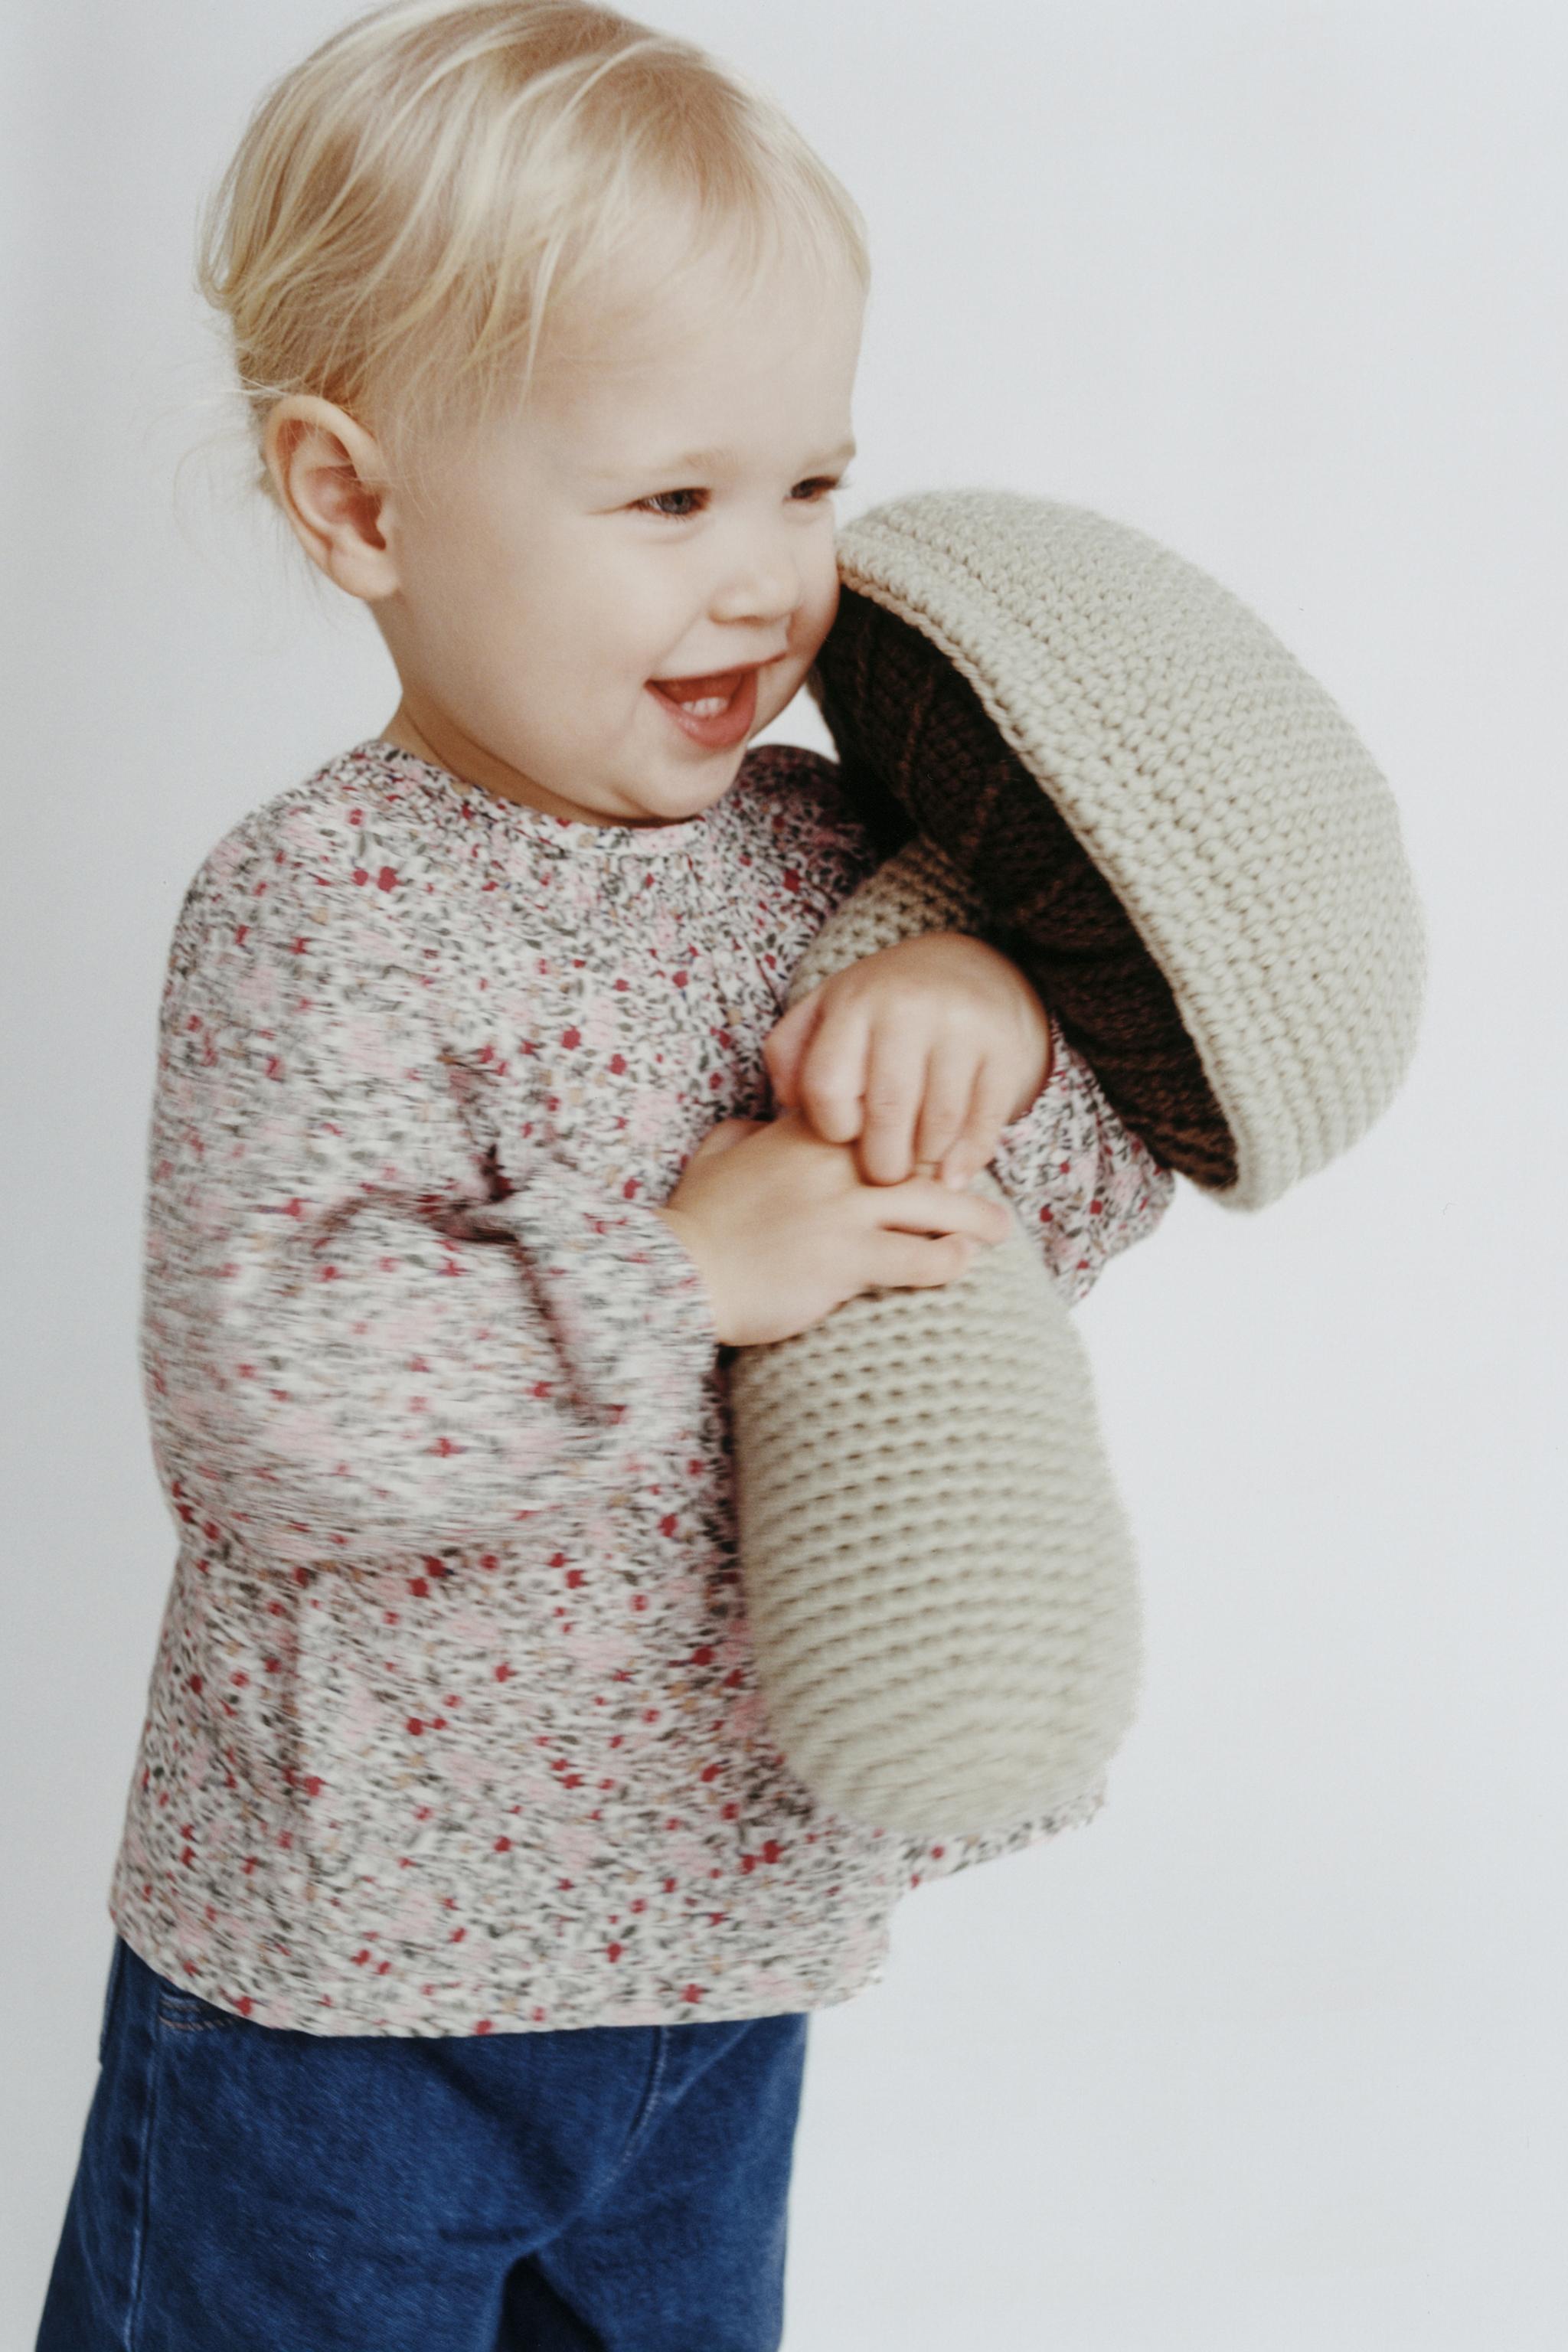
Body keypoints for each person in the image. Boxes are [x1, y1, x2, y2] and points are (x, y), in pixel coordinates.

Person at [36, 4, 1174, 2345]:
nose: (766, 583)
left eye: (808, 488)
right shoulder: (324, 911)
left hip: (721, 1950)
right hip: (356, 1990)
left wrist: (1006, 1018)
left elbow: (1031, 1230)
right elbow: (277, 1414)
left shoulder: (842, 861)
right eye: (670, 501)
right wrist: (674, 1268)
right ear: (358, 502)